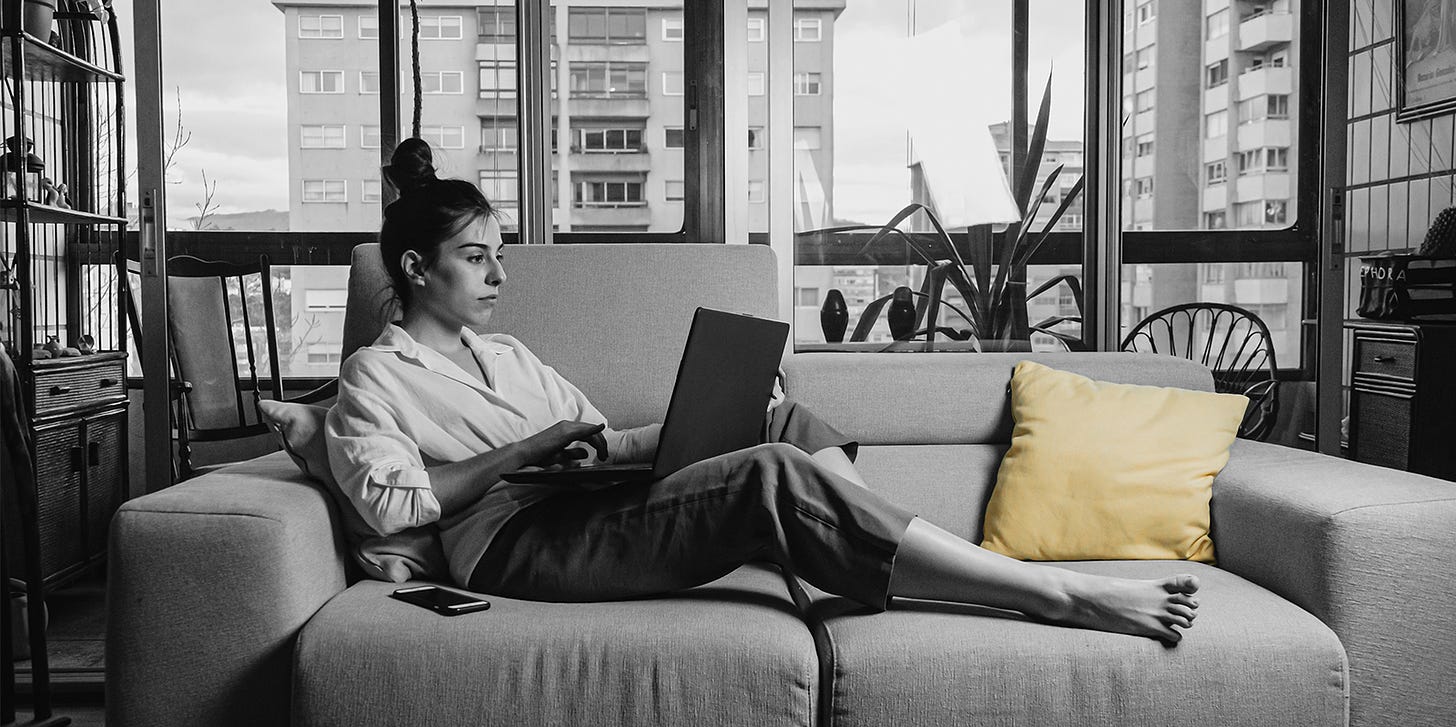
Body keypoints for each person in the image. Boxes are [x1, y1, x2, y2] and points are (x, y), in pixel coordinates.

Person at [327, 139, 1200, 643]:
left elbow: (589, 435)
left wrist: (677, 426)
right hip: (515, 545)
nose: (498, 275)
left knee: (777, 417)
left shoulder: (509, 352)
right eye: (477, 258)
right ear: (416, 267)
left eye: (500, 254)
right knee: (770, 474)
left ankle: (880, 549)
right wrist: (524, 450)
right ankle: (1052, 592)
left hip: (579, 504)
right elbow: (397, 502)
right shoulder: (375, 376)